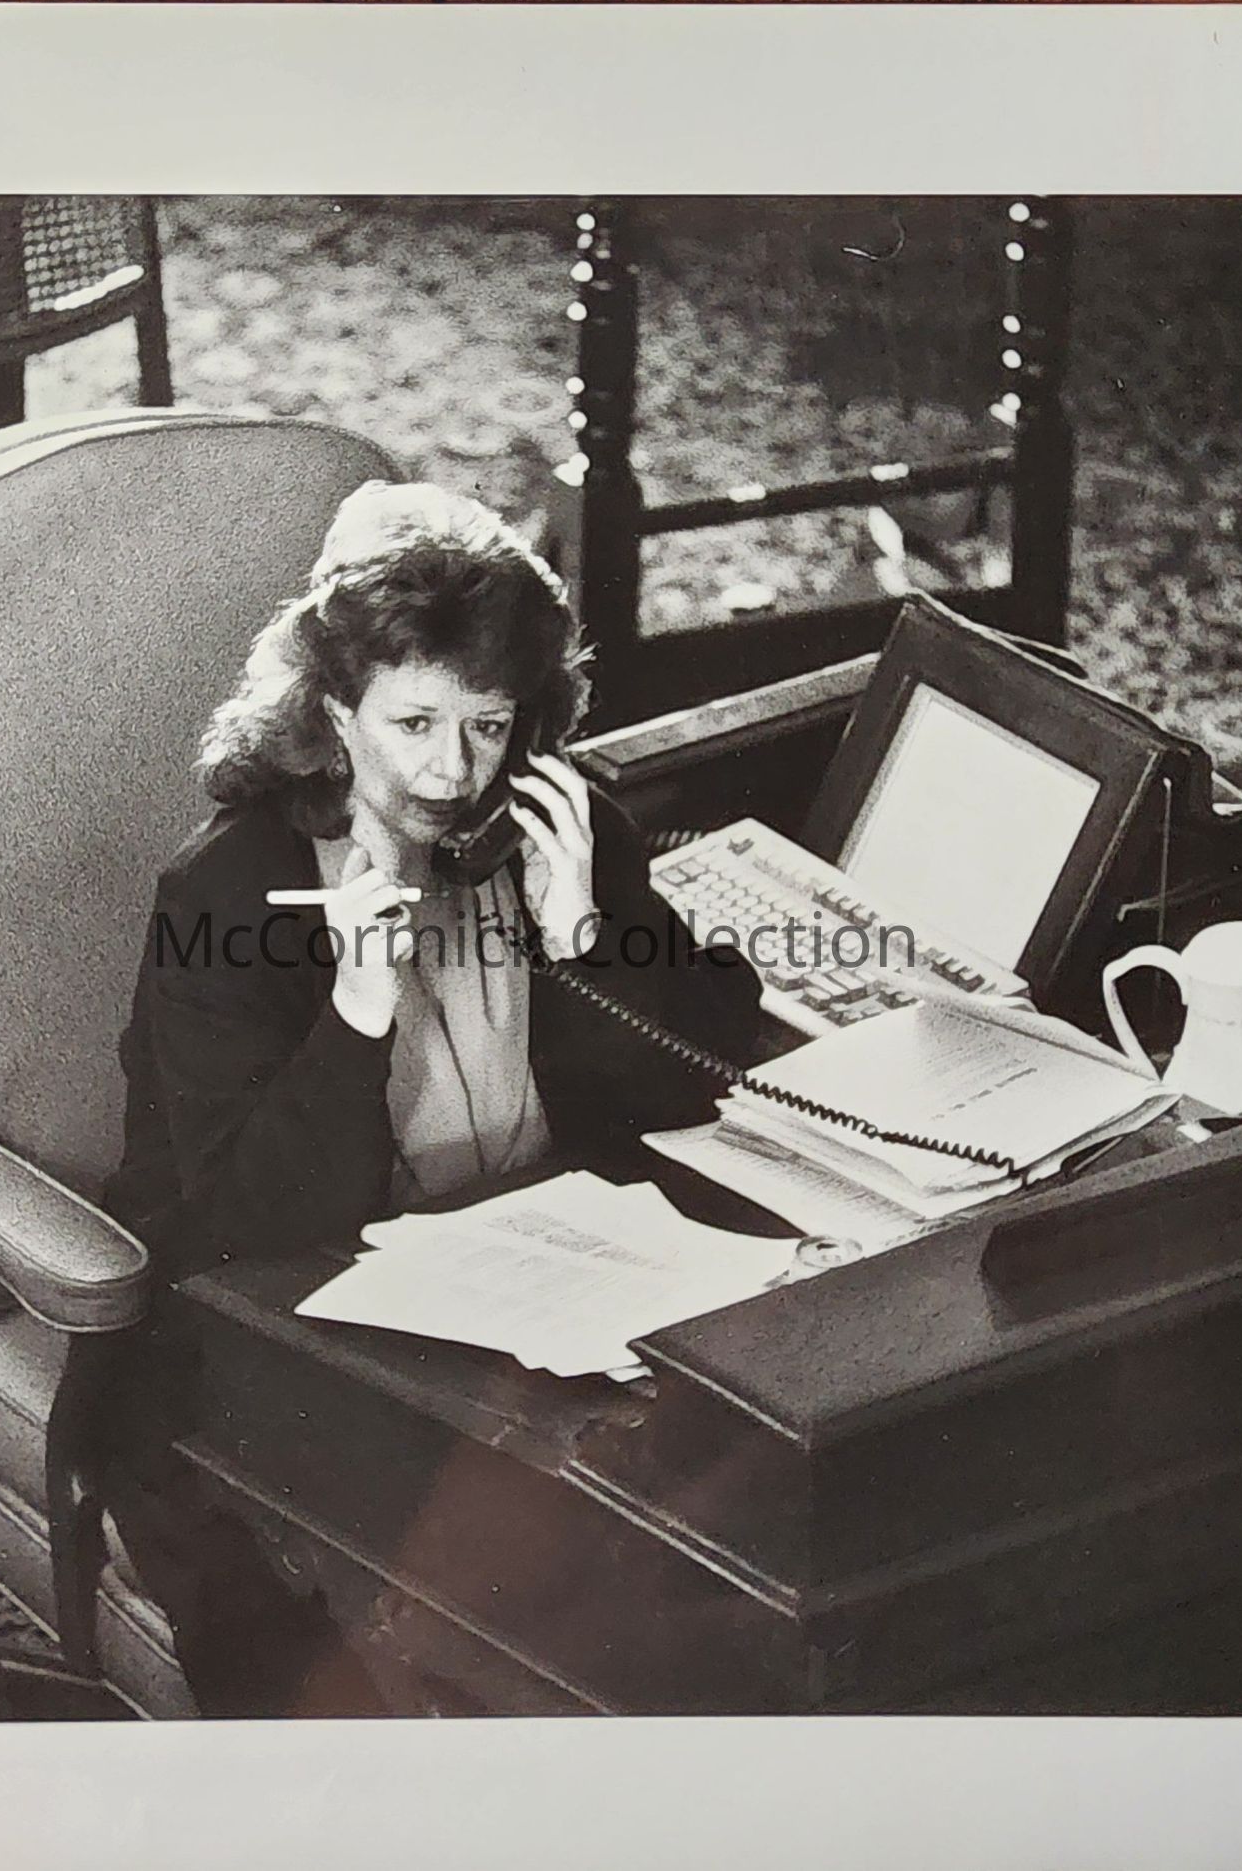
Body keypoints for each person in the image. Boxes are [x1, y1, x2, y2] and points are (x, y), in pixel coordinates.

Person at [96, 480, 761, 1713]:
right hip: (288, 1351)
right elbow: (241, 1230)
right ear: (333, 712)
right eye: (412, 723)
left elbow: (709, 1078)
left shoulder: (558, 840)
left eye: (488, 726)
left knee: (727, 1569)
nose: (452, 772)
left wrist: (589, 941)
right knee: (453, 1670)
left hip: (537, 1325)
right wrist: (355, 1013)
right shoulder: (228, 894)